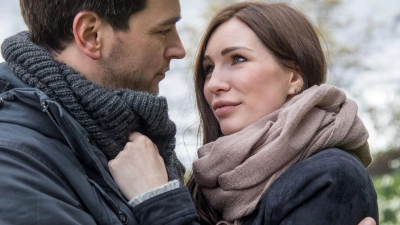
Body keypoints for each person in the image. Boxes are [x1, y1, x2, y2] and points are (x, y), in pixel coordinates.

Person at [110, 2, 379, 225]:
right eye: (209, 68)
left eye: (238, 59)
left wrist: (157, 201)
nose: (214, 84)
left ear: (294, 76)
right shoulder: (210, 185)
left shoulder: (327, 176)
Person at [0, 0, 199, 224]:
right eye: (163, 30)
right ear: (91, 35)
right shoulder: (16, 167)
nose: (179, 50)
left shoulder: (116, 131)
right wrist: (160, 203)